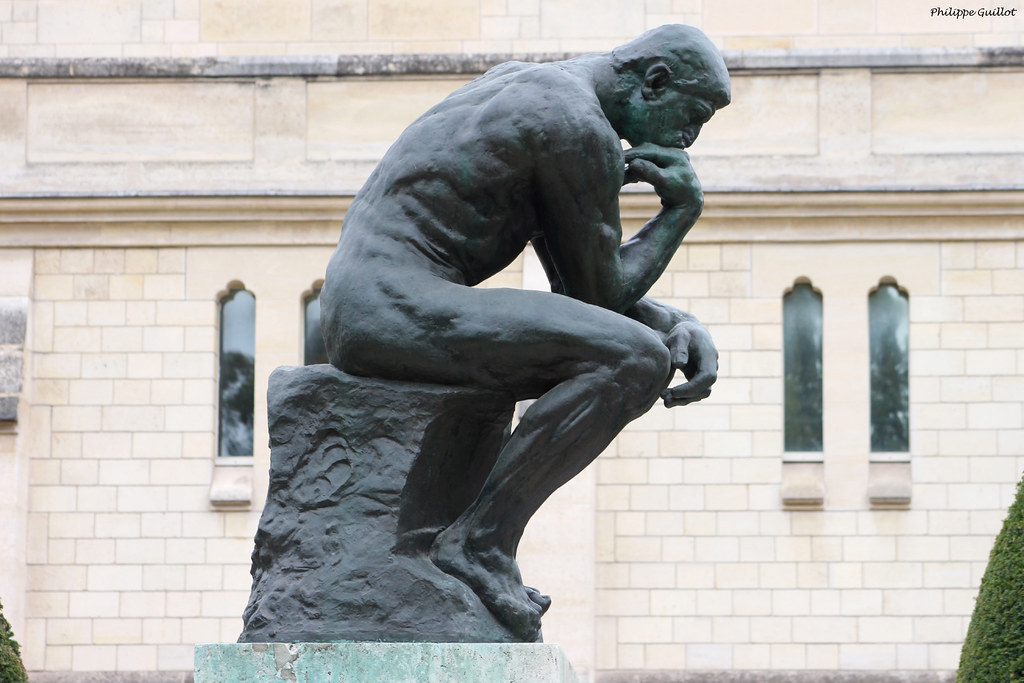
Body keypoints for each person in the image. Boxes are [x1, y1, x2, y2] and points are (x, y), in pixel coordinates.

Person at [320, 24, 730, 641]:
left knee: (630, 348)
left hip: (369, 299)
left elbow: (578, 288)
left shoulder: (539, 90)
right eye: (692, 116)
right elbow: (599, 298)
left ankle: (478, 543)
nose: (688, 139)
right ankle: (480, 544)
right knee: (634, 363)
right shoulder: (577, 126)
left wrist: (672, 321)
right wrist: (680, 212)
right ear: (655, 82)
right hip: (390, 304)